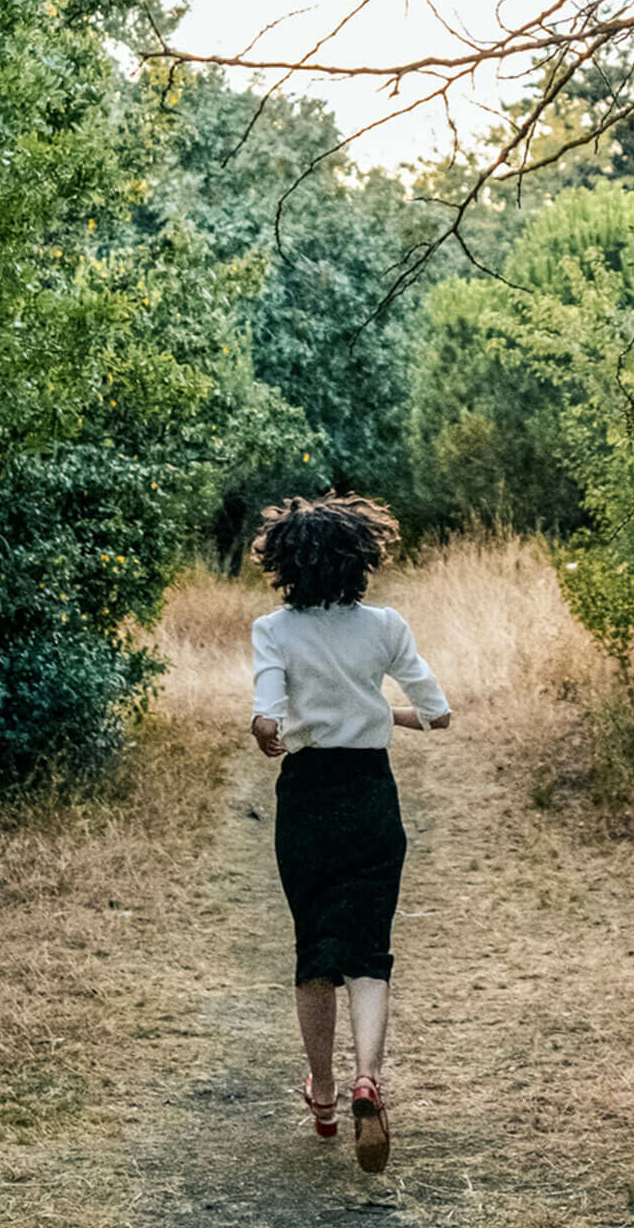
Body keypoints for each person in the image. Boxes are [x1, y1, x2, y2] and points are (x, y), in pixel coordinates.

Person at [248, 493, 452, 1174]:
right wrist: (378, 715)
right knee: (369, 952)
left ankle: (326, 1094)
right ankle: (370, 1079)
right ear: (361, 559)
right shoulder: (386, 626)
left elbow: (269, 717)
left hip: (308, 797)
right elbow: (437, 713)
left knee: (315, 952)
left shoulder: (273, 631)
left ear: (285, 566)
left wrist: (273, 729)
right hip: (371, 794)